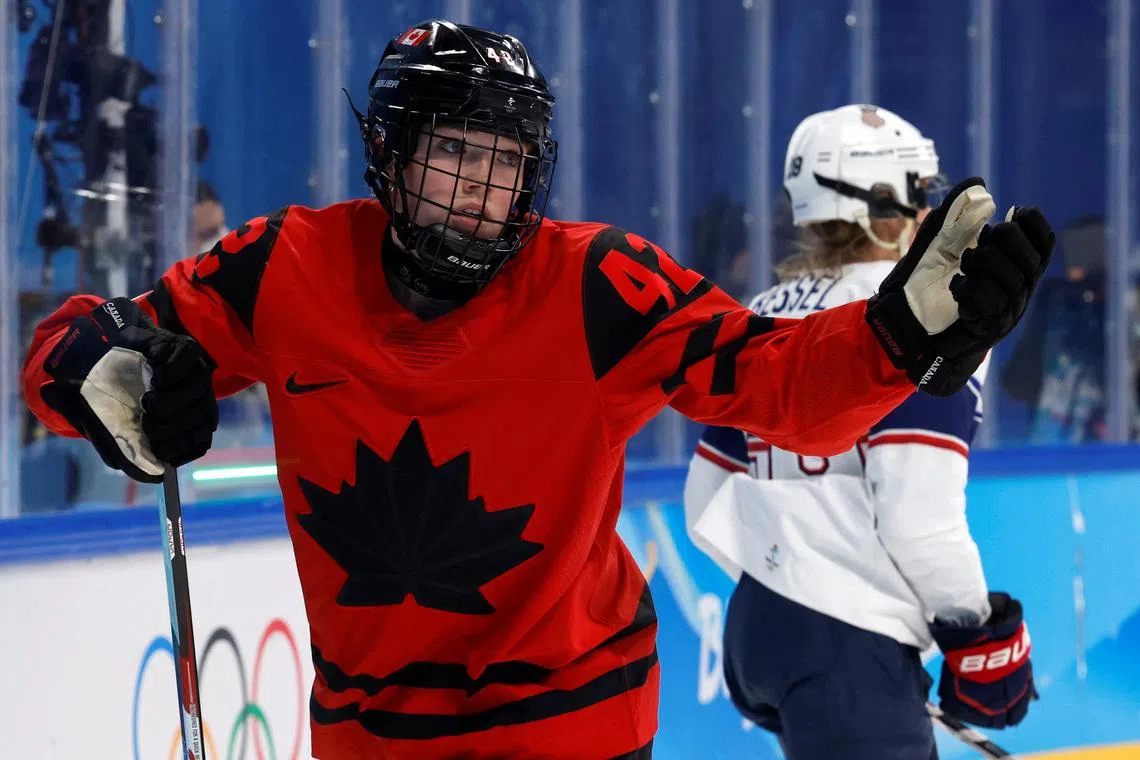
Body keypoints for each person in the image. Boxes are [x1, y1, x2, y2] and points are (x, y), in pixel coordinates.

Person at [22, 20, 1052, 758]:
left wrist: (903, 338)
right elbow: (78, 343)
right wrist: (97, 378)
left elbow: (772, 380)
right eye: (455, 155)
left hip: (572, 718)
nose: (481, 194)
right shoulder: (281, 267)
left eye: (506, 165)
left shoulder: (597, 283)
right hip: (371, 731)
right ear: (389, 154)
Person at [683, 104, 1039, 760]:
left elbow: (706, 493)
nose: (930, 212)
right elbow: (918, 520)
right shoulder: (921, 320)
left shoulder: (758, 313)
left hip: (757, 629)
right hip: (847, 647)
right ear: (883, 202)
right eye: (919, 193)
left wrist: (792, 582)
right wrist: (972, 631)